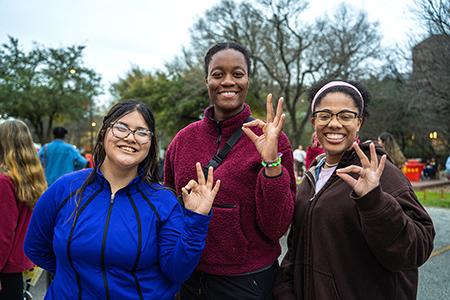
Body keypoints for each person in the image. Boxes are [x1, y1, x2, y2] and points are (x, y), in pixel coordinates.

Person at [24, 100, 221, 299]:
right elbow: (36, 246)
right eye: (121, 128)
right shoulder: (64, 188)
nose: (130, 138)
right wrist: (74, 272)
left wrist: (197, 219)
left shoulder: (164, 202)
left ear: (151, 144)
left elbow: (177, 271)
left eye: (141, 132)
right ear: (103, 134)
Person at [274, 80, 435, 299]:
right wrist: (285, 292)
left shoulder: (381, 172)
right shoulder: (312, 176)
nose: (334, 123)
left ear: (359, 122)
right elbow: (295, 247)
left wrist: (374, 202)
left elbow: (417, 249)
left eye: (345, 116)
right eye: (325, 115)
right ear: (314, 122)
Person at [164, 42, 296, 299]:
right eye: (218, 74)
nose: (228, 81)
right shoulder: (183, 140)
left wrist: (271, 164)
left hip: (249, 282)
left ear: (247, 80)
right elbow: (168, 211)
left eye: (237, 74)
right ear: (207, 80)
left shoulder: (272, 139)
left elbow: (276, 227)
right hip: (190, 279)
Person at [0, 120, 47, 299]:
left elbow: (3, 233)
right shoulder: (29, 180)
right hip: (16, 267)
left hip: (4, 269)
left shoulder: (5, 181)